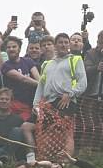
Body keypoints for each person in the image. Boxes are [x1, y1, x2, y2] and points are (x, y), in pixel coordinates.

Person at [33, 32, 86, 160]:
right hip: (47, 102)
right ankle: (48, 160)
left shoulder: (75, 59)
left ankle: (65, 162)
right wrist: (35, 104)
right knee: (47, 131)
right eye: (60, 42)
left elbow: (82, 82)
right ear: (55, 45)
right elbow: (41, 85)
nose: (63, 45)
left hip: (65, 100)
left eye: (66, 42)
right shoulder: (47, 64)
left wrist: (70, 93)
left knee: (66, 132)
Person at [0, 36, 39, 122]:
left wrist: (41, 85)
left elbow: (37, 77)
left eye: (14, 47)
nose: (11, 49)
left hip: (29, 103)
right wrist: (41, 85)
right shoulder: (6, 66)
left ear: (19, 48)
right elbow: (22, 79)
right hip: (14, 104)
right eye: (8, 47)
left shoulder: (28, 61)